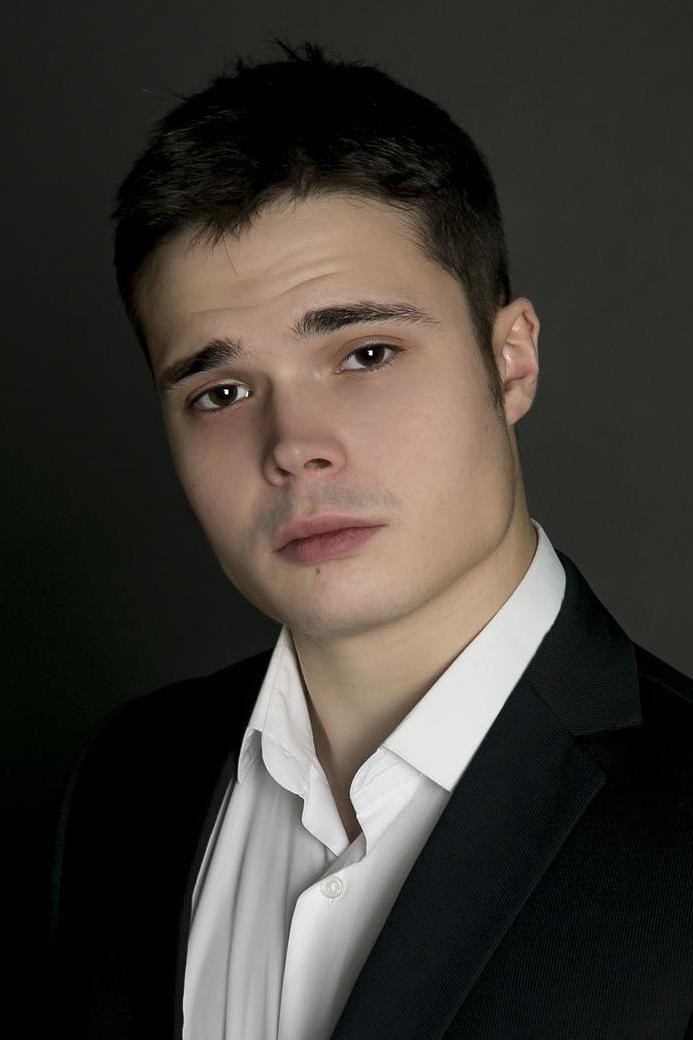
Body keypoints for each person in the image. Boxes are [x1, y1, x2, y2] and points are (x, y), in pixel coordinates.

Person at [50, 37, 693, 1040]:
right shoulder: (124, 778)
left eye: (365, 352)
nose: (293, 445)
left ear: (510, 361)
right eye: (220, 391)